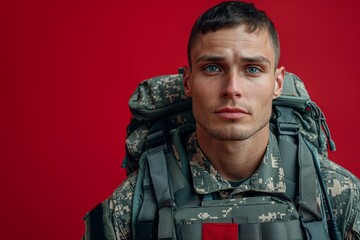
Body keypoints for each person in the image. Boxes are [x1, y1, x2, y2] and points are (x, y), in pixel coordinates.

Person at [83, 1, 360, 239]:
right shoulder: (134, 204)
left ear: (277, 83)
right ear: (188, 82)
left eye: (252, 69)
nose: (232, 88)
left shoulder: (339, 195)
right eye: (213, 68)